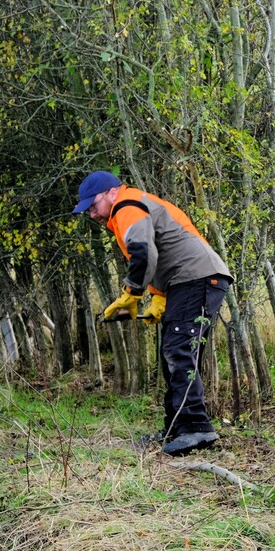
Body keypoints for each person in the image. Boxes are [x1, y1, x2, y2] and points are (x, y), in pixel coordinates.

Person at [73, 170, 232, 456]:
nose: (93, 215)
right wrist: (158, 297)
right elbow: (163, 253)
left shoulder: (126, 205)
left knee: (179, 350)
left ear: (111, 192)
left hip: (196, 278)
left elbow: (144, 253)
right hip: (188, 280)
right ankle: (177, 428)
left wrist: (131, 294)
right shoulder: (130, 206)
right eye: (87, 211)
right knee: (173, 351)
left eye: (93, 206)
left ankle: (197, 427)